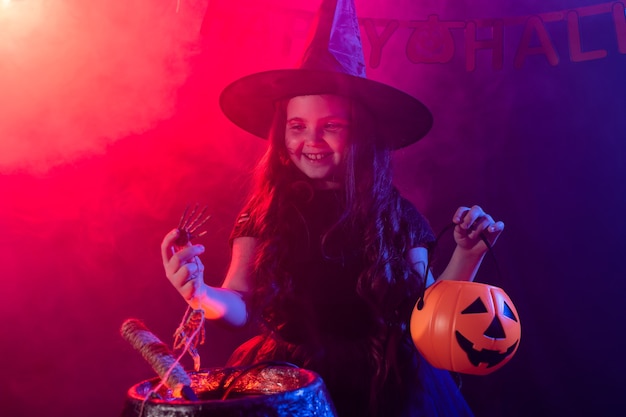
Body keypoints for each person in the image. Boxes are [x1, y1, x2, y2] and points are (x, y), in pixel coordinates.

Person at [161, 0, 504, 415]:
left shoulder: (395, 215)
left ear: (360, 135)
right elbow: (238, 301)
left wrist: (468, 254)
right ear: (281, 134)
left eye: (331, 127)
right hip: (290, 384)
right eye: (298, 126)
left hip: (388, 385)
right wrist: (200, 293)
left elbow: (432, 315)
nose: (312, 141)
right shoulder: (264, 212)